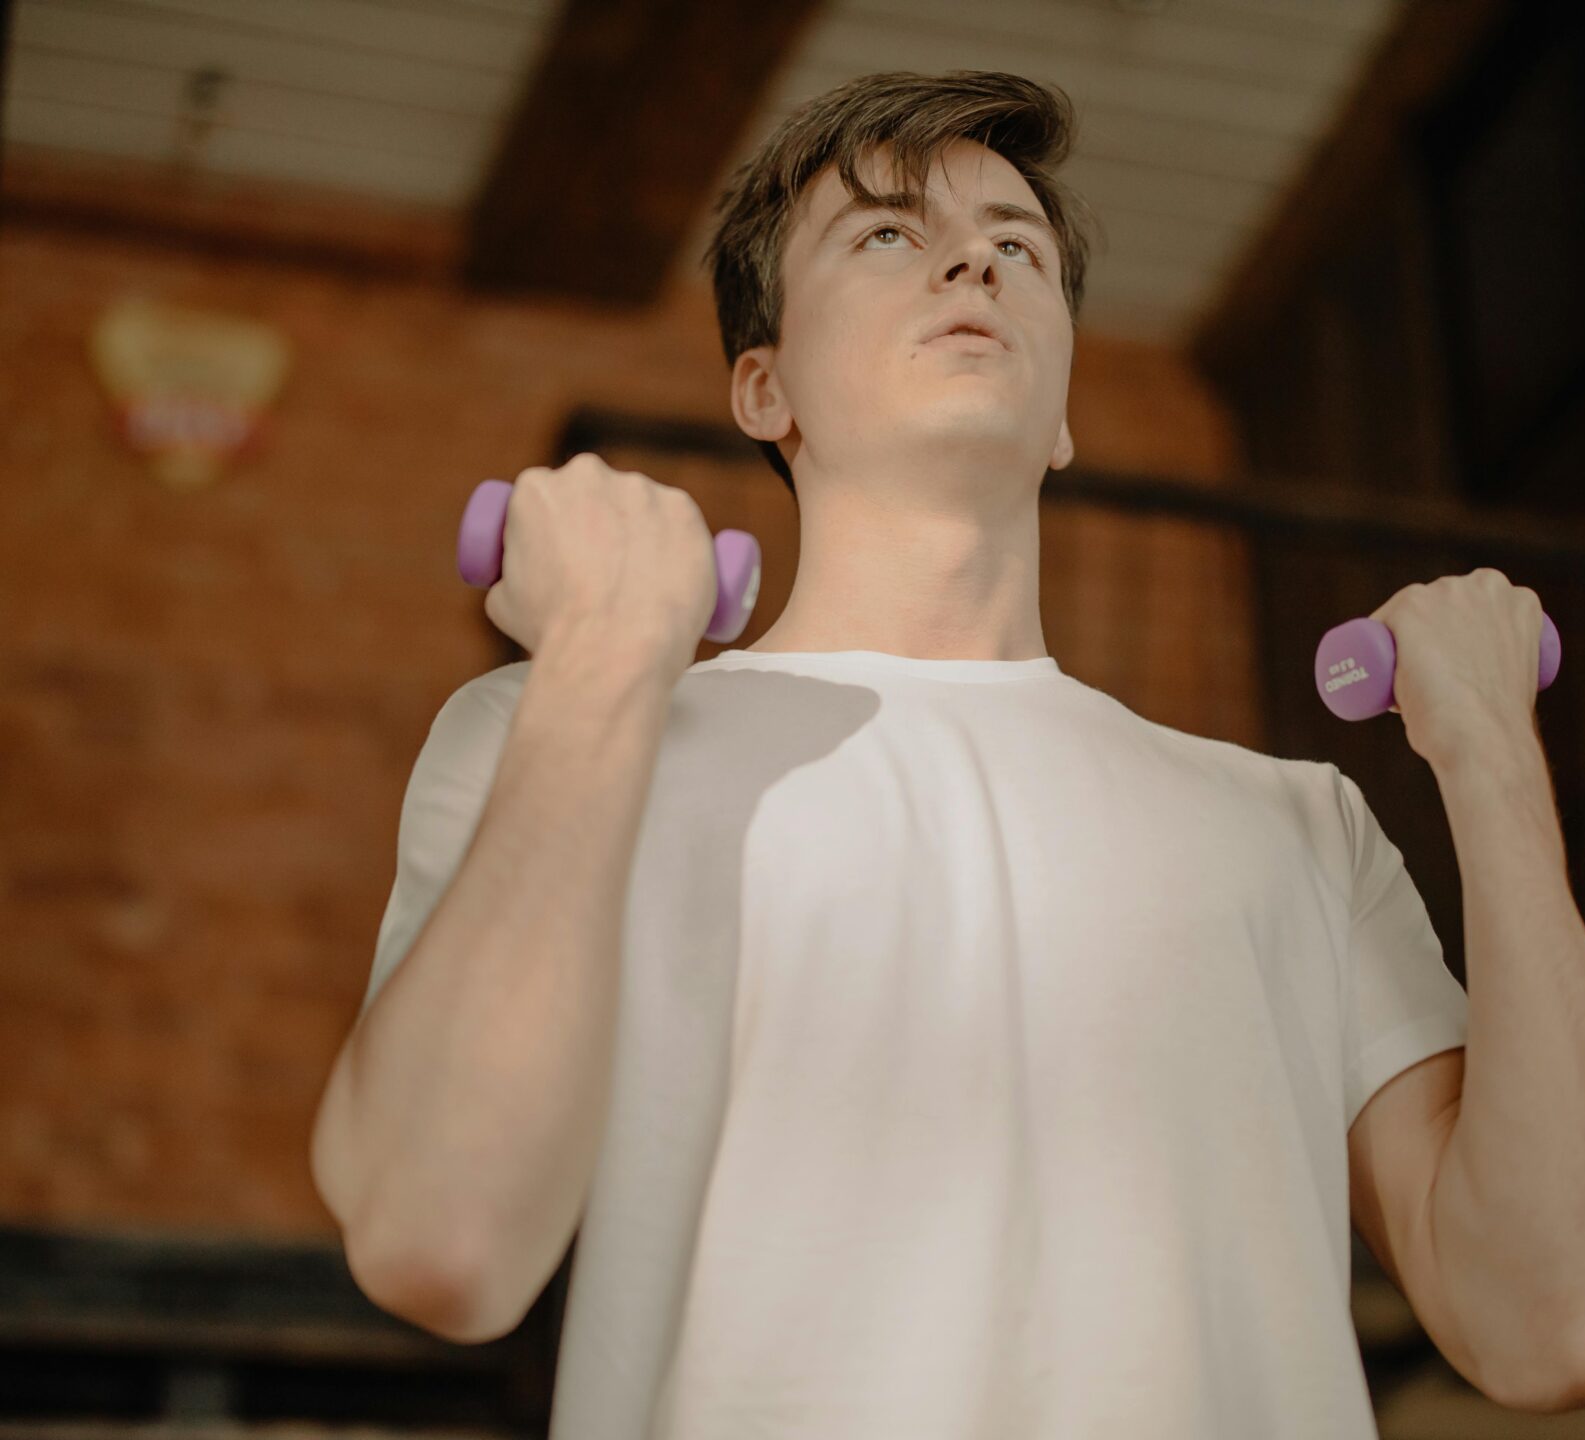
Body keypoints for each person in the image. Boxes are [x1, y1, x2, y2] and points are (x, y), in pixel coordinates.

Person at [318, 70, 1469, 1438]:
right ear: (765, 387)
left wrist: (1498, 762)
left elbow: (1555, 1325)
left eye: (1015, 247)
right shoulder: (551, 732)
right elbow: (434, 1235)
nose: (974, 256)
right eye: (885, 234)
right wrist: (600, 663)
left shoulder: (1298, 826)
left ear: (1061, 418)